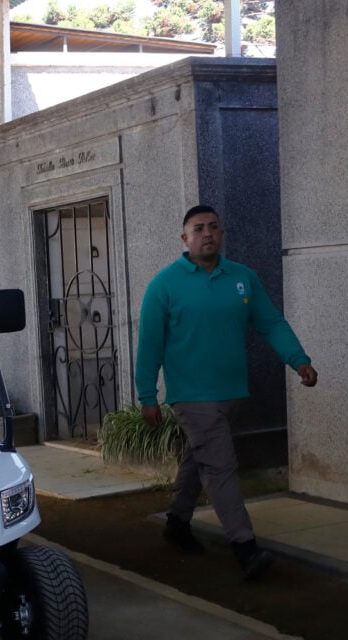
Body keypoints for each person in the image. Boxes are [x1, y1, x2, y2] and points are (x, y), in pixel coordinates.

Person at [135, 205, 319, 580]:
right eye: (198, 228)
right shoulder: (164, 285)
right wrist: (147, 396)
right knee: (220, 467)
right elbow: (150, 344)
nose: (207, 233)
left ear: (221, 234)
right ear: (185, 238)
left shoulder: (242, 278)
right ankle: (245, 547)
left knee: (198, 457)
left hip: (232, 392)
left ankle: (177, 523)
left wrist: (298, 360)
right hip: (192, 396)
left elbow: (271, 323)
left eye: (214, 227)